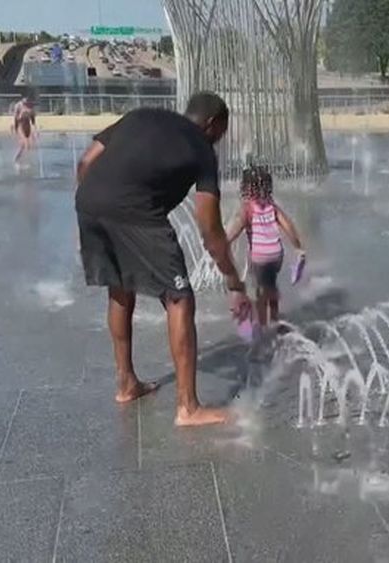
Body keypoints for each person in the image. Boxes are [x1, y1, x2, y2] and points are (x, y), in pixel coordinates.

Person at [75, 92, 250, 427]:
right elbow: (210, 228)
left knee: (120, 287)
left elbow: (85, 162)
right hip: (136, 212)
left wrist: (93, 212)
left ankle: (126, 383)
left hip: (89, 200)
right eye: (222, 133)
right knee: (179, 298)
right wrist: (233, 279)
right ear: (212, 124)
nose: (220, 141)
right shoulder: (201, 148)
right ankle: (188, 408)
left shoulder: (140, 116)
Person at [226, 165, 305, 330]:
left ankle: (262, 327)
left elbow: (233, 232)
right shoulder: (272, 206)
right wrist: (298, 248)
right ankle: (275, 320)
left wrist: (223, 244)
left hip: (260, 258)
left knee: (260, 293)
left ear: (246, 188)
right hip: (276, 256)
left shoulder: (247, 209)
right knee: (271, 285)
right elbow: (288, 227)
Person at [12, 96, 37, 169]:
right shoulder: (19, 106)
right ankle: (16, 160)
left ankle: (24, 160)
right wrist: (16, 129)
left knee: (29, 145)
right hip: (21, 125)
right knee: (23, 144)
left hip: (27, 126)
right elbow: (16, 118)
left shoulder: (31, 109)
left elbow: (33, 121)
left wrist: (35, 131)